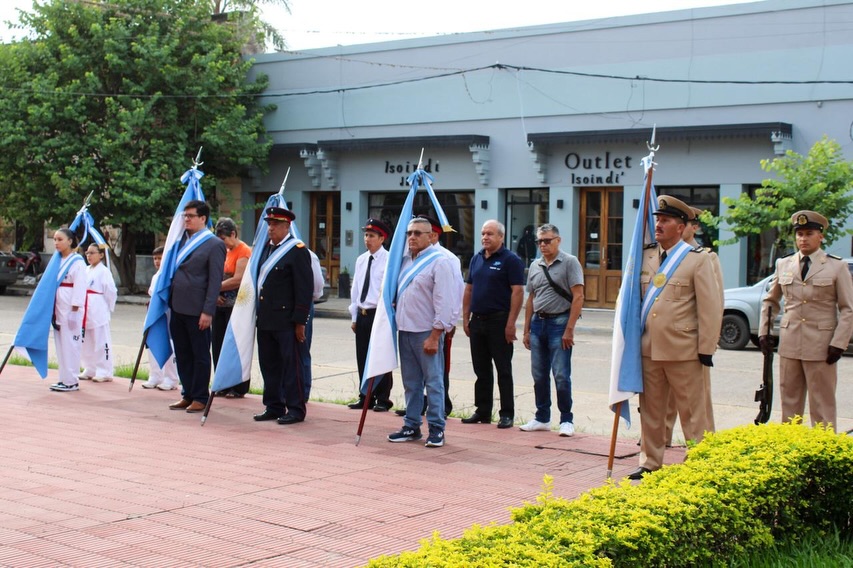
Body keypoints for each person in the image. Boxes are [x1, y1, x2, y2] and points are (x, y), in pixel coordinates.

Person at [628, 196, 722, 480]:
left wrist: (706, 348)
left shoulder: (698, 260)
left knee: (693, 412)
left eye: (665, 221)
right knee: (651, 410)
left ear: (681, 227)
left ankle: (699, 463)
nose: (658, 225)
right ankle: (650, 461)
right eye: (657, 219)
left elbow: (710, 307)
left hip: (684, 350)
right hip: (649, 348)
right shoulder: (645, 256)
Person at [759, 210, 853, 432]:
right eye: (799, 234)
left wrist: (839, 343)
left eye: (809, 233)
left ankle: (823, 450)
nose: (803, 239)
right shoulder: (784, 264)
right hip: (790, 343)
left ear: (821, 236)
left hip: (822, 346)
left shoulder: (836, 266)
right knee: (789, 405)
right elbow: (770, 301)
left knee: (822, 405)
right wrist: (764, 332)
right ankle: (792, 448)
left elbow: (848, 308)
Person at [388, 217, 457, 447]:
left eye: (418, 233)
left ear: (431, 236)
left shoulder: (440, 262)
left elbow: (445, 302)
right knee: (411, 382)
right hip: (405, 330)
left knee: (434, 382)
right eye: (409, 233)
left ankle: (437, 428)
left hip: (426, 332)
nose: (412, 237)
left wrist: (435, 335)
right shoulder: (404, 261)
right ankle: (412, 425)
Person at [663, 207, 723, 445]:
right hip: (664, 337)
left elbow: (714, 302)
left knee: (697, 400)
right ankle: (661, 437)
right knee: (662, 397)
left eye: (685, 224)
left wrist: (708, 342)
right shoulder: (660, 254)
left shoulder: (705, 256)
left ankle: (705, 444)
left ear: (693, 227)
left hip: (690, 339)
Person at [520, 224, 584, 436]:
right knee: (539, 374)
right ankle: (542, 417)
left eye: (547, 241)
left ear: (558, 240)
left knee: (561, 375)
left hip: (560, 323)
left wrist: (569, 329)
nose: (543, 245)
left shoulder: (570, 262)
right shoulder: (535, 265)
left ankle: (566, 419)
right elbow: (531, 298)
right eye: (539, 241)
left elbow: (578, 297)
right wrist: (526, 330)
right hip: (538, 323)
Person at [252, 206, 313, 425]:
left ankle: (296, 408)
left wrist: (300, 322)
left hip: (286, 321)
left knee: (291, 367)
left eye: (275, 224)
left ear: (287, 226)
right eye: (269, 224)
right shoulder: (265, 250)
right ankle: (273, 405)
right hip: (266, 319)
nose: (271, 228)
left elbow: (304, 289)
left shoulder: (297, 250)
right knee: (269, 365)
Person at [461, 220, 525, 428]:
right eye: (483, 233)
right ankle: (483, 410)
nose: (485, 237)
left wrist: (511, 323)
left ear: (501, 237)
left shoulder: (511, 260)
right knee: (481, 369)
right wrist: (465, 318)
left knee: (503, 370)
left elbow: (518, 292)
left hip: (499, 321)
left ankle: (507, 413)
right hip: (478, 321)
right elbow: (469, 289)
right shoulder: (477, 258)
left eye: (489, 234)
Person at [168, 200, 226, 414]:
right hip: (177, 305)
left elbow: (215, 281)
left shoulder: (214, 244)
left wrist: (208, 311)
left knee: (199, 354)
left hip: (197, 309)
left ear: (203, 218)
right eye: (185, 216)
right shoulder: (181, 240)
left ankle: (200, 396)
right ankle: (188, 393)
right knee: (182, 352)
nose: (186, 220)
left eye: (191, 216)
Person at [347, 218, 395, 412]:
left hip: (378, 313)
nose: (367, 239)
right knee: (362, 356)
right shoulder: (361, 259)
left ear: (382, 238)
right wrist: (354, 317)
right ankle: (365, 395)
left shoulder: (389, 260)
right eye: (366, 235)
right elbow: (356, 290)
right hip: (363, 313)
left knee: (380, 355)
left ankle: (383, 398)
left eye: (372, 236)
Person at [212, 217, 251, 398]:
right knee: (218, 344)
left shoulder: (243, 251)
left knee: (234, 345)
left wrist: (214, 288)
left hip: (236, 307)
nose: (223, 243)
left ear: (233, 234)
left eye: (224, 239)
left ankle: (237, 386)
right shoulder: (224, 251)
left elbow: (238, 279)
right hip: (220, 304)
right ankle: (222, 383)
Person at [49, 228, 87, 392]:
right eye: (54, 239)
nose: (56, 243)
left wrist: (74, 310)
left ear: (70, 241)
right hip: (58, 308)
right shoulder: (57, 260)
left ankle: (72, 380)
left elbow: (80, 287)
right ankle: (63, 378)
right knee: (61, 345)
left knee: (71, 344)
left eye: (60, 239)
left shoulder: (77, 262)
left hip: (70, 309)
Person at [78, 243, 117, 383]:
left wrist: (107, 307)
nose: (89, 256)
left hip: (98, 308)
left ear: (101, 255)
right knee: (86, 341)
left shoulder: (104, 271)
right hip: (85, 309)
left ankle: (104, 370)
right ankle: (90, 368)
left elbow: (111, 291)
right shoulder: (85, 270)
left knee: (101, 341)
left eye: (92, 253)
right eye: (87, 253)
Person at [142, 246, 179, 390]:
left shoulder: (171, 274)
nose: (157, 261)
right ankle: (155, 375)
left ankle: (171, 378)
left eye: (160, 258)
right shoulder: (155, 276)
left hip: (167, 312)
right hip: (154, 314)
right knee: (152, 342)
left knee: (169, 343)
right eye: (155, 259)